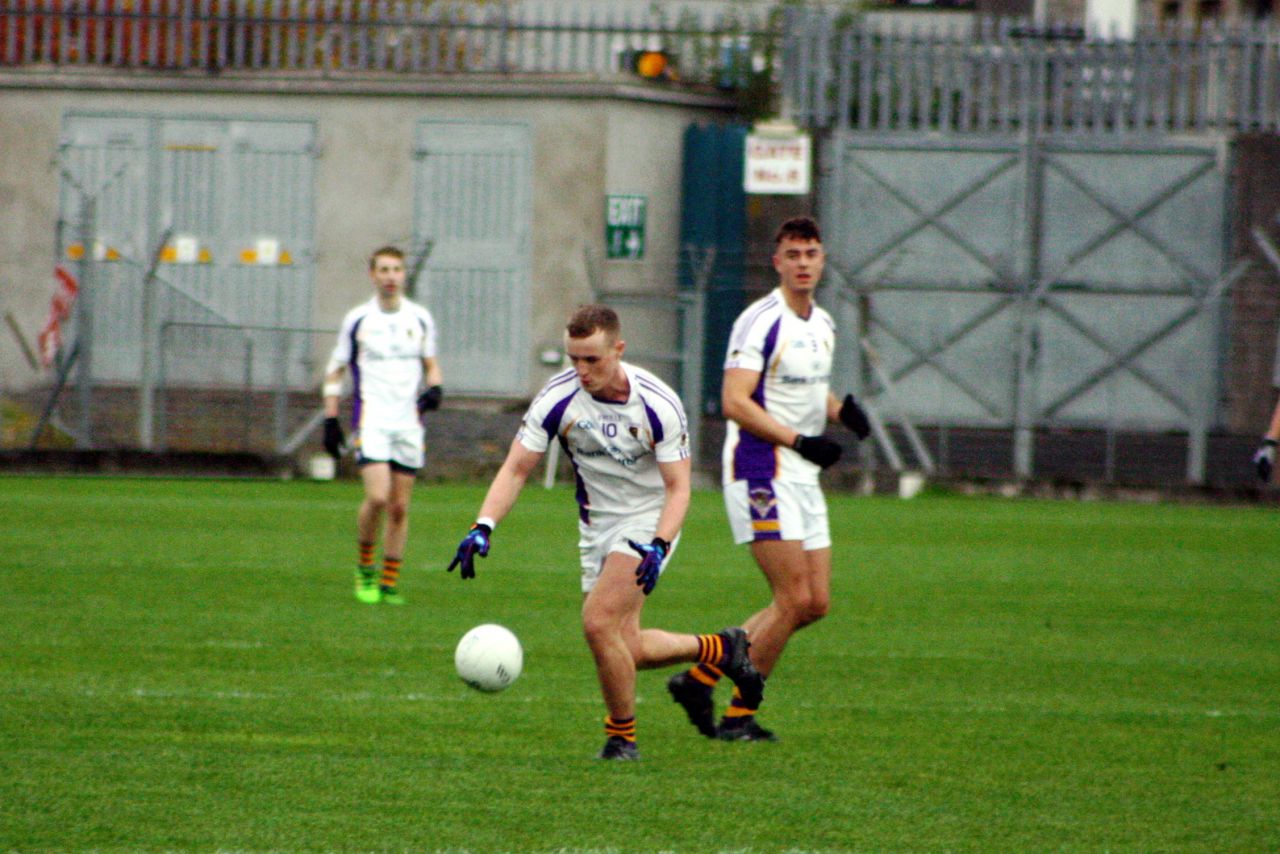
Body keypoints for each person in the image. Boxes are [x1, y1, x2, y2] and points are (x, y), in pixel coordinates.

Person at [445, 304, 764, 760]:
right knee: (624, 644)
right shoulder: (557, 398)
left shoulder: (658, 403)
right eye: (574, 358)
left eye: (592, 359)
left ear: (619, 349)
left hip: (649, 520)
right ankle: (721, 648)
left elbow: (678, 489)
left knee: (597, 622)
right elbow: (516, 469)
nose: (582, 370)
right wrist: (483, 526)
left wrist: (659, 543)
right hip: (596, 526)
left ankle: (622, 739)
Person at [667, 216, 871, 743]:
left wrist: (841, 413)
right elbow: (736, 401)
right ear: (776, 261)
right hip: (761, 469)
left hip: (801, 474)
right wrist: (800, 441)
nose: (803, 263)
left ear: (823, 260)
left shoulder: (821, 324)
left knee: (814, 603)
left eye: (812, 253)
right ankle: (739, 718)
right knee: (792, 597)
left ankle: (701, 675)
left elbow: (804, 395)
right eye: (793, 254)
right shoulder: (760, 320)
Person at [322, 245, 443, 605]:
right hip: (372, 421)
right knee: (377, 497)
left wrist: (436, 388)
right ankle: (365, 569)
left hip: (408, 425)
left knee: (400, 507)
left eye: (396, 270)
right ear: (372, 275)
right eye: (384, 270)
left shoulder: (419, 318)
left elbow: (431, 364)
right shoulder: (358, 320)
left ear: (404, 275)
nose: (391, 276)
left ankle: (389, 582)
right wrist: (331, 417)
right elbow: (335, 369)